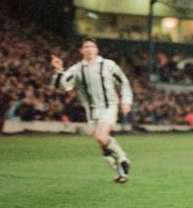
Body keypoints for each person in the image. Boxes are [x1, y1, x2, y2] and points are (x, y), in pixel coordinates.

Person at [50, 37, 133, 183]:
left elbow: (123, 82)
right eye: (86, 46)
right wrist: (59, 69)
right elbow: (64, 86)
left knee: (101, 136)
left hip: (109, 106)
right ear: (81, 51)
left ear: (97, 50)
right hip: (91, 110)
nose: (89, 49)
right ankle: (121, 173)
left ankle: (122, 156)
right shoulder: (77, 69)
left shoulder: (108, 65)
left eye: (92, 46)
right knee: (102, 143)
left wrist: (126, 102)